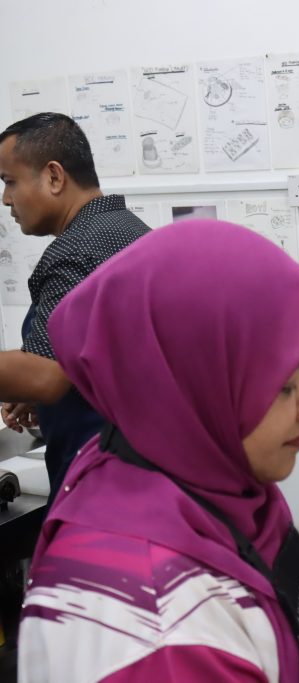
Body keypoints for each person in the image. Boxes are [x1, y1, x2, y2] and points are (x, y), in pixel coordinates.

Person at [17, 220, 299, 683]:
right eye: (284, 386)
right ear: (198, 386)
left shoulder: (189, 475)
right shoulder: (159, 634)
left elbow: (242, 637)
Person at [0, 112, 151, 496]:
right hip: (149, 464)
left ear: (54, 176)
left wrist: (34, 381)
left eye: (10, 182)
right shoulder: (131, 230)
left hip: (103, 480)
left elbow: (44, 375)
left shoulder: (76, 252)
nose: (6, 200)